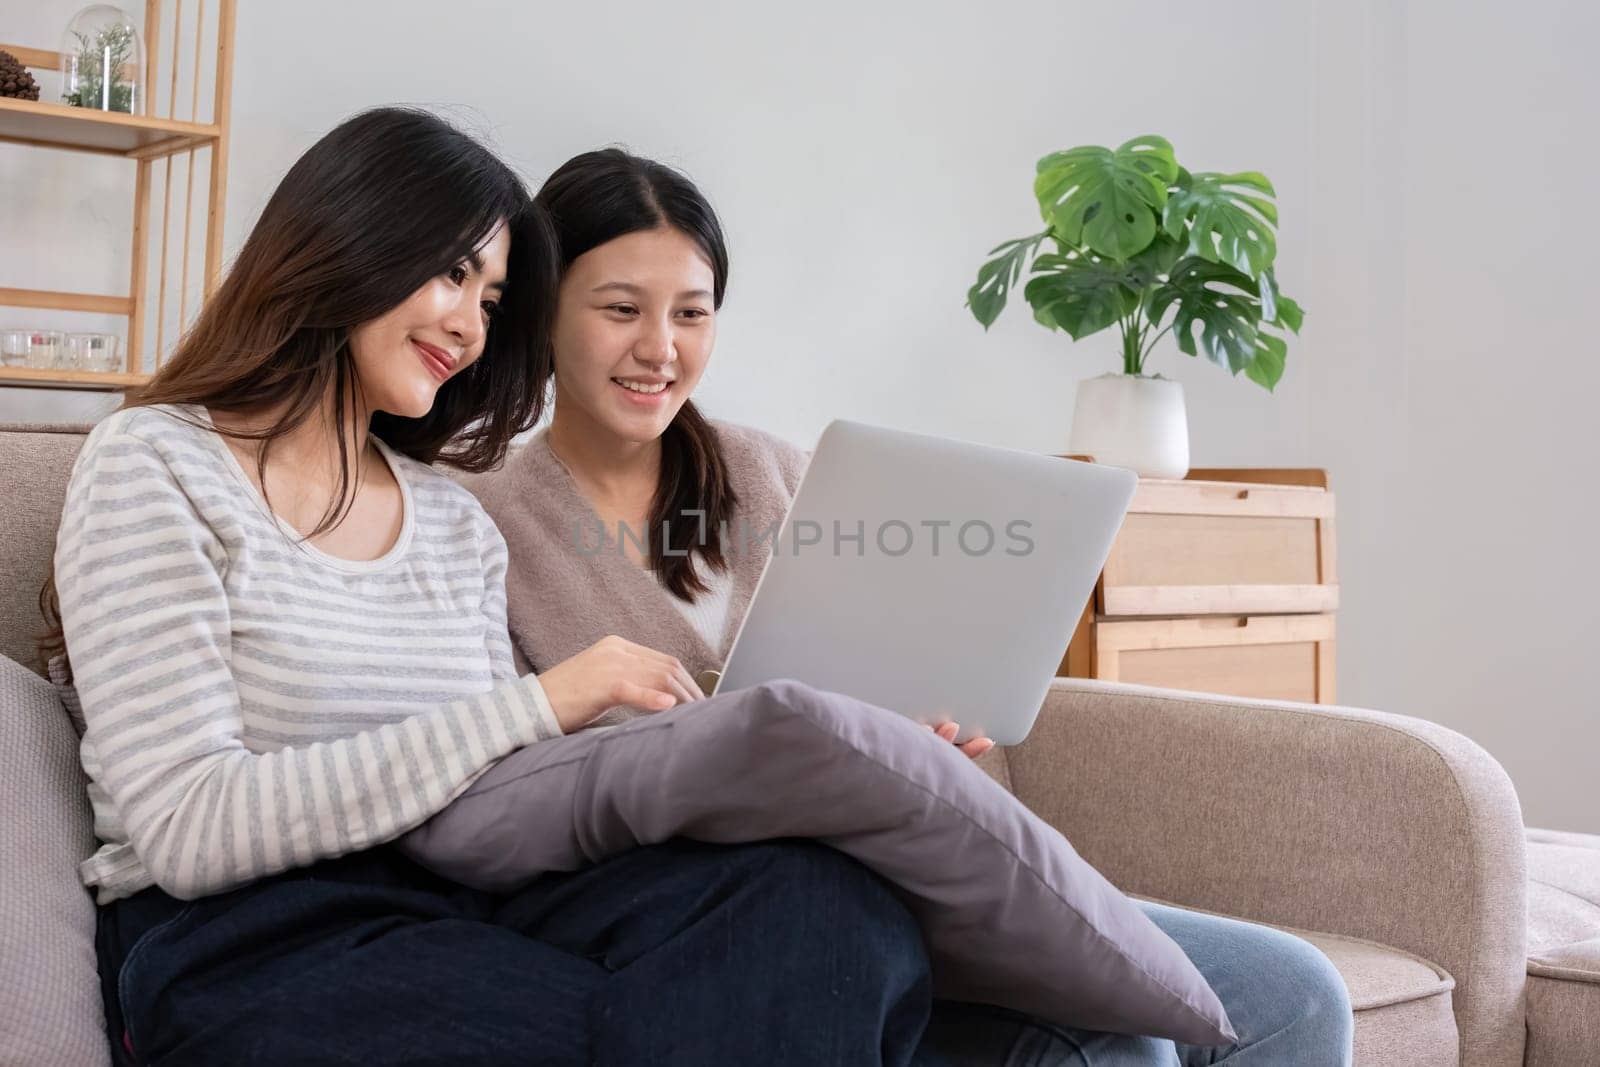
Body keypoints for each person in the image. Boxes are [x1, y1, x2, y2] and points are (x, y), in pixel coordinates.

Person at [45, 107, 944, 1066]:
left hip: (462, 900)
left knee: (829, 909)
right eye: (453, 274)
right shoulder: (153, 464)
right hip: (243, 936)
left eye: (492, 297)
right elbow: (189, 827)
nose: (471, 325)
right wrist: (536, 703)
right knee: (602, 1031)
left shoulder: (452, 520)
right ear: (349, 241)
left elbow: (499, 800)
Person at [458, 146, 1358, 1066]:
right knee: (1132, 1047)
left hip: (913, 861)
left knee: (1296, 993)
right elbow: (518, 801)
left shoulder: (785, 476)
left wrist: (919, 737)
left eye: (692, 313)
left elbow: (894, 690)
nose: (661, 348)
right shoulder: (482, 525)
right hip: (748, 908)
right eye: (621, 310)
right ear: (543, 312)